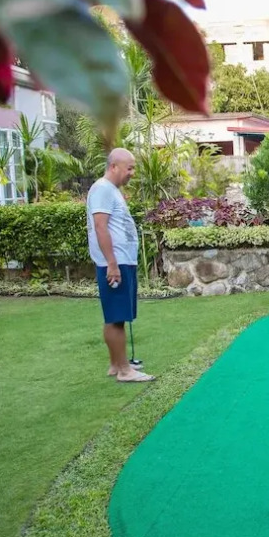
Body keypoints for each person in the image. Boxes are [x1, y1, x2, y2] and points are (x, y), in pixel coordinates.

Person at [86, 148, 155, 383]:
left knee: (116, 316)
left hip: (121, 261)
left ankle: (116, 365)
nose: (132, 173)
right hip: (116, 263)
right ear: (114, 166)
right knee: (116, 317)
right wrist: (112, 264)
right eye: (129, 168)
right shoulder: (103, 189)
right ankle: (125, 371)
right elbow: (100, 226)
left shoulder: (110, 190)